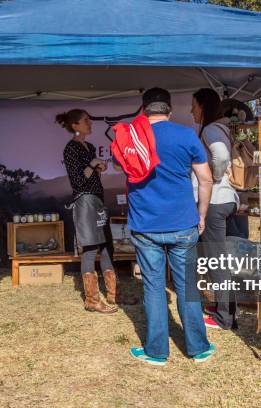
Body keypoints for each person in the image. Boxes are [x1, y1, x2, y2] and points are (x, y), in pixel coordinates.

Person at [122, 88, 216, 365]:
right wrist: (201, 215)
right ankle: (198, 348)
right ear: (170, 109)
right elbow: (206, 180)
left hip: (145, 223)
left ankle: (156, 351)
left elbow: (122, 168)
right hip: (183, 222)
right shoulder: (186, 135)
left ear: (143, 109)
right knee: (187, 286)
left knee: (153, 286)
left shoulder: (131, 138)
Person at [57, 109, 135, 314]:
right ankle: (91, 300)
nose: (90, 123)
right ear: (75, 125)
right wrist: (92, 165)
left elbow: (91, 174)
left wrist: (97, 166)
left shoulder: (90, 146)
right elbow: (78, 181)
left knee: (107, 246)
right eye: (85, 121)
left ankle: (113, 294)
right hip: (84, 201)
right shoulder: (71, 148)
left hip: (98, 200)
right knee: (91, 248)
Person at [190, 88, 240, 330]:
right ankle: (227, 309)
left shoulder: (210, 130)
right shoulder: (221, 128)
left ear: (204, 107)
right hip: (226, 199)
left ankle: (224, 318)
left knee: (216, 260)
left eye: (194, 106)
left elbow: (220, 156)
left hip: (215, 200)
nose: (191, 111)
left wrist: (213, 176)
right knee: (219, 259)